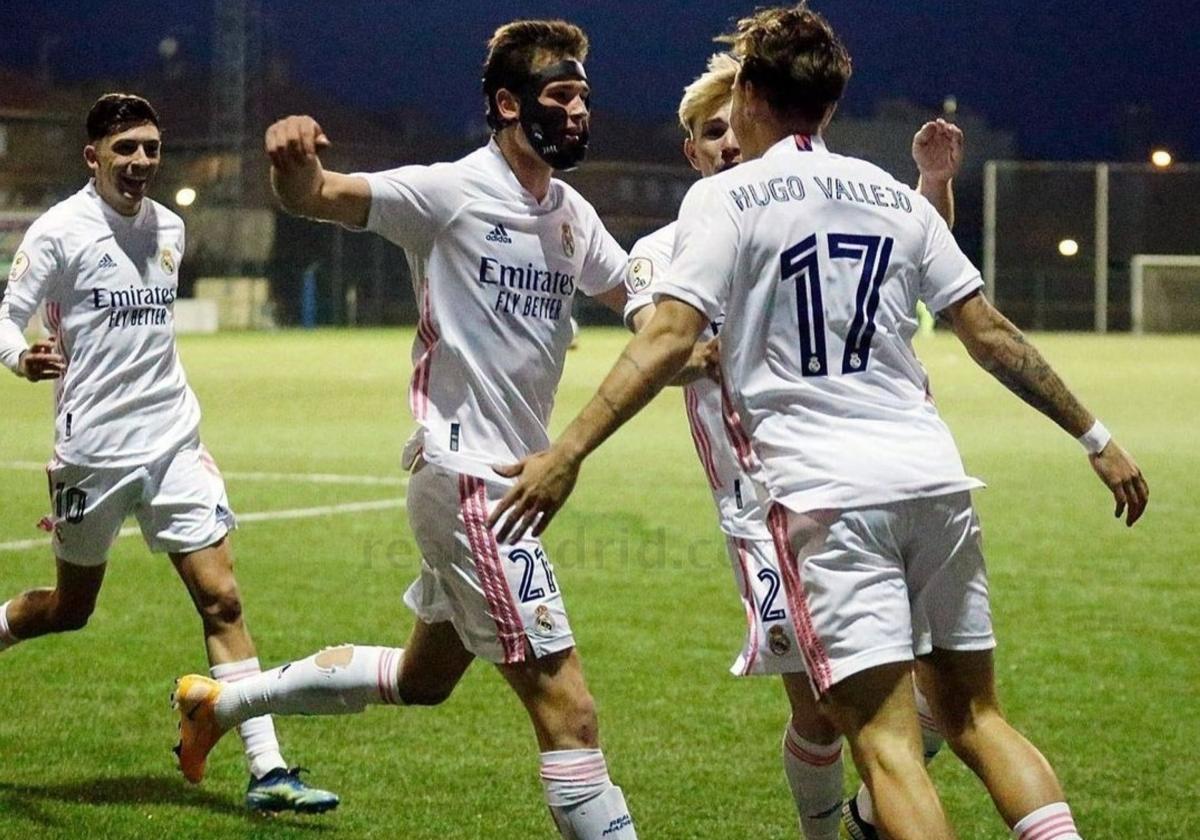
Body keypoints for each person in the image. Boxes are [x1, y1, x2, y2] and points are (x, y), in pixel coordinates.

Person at [488, 5, 1149, 840]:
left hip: (825, 500)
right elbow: (989, 333)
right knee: (977, 715)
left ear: (754, 93)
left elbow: (666, 339)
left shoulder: (727, 200)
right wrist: (1097, 436)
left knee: (886, 750)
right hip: (937, 481)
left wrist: (568, 449)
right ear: (832, 106)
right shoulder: (888, 196)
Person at [172, 20, 642, 838]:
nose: (577, 112)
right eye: (560, 95)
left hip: (498, 484)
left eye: (584, 97)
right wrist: (295, 166)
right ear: (507, 103)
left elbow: (642, 304)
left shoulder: (570, 216)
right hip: (476, 484)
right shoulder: (448, 192)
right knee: (570, 711)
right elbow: (321, 196)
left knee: (423, 678)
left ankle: (220, 702)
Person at [622, 52, 961, 840]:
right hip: (762, 508)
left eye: (734, 125)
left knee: (940, 703)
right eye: (712, 134)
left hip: (870, 482)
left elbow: (903, 264)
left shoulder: (803, 215)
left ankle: (870, 816)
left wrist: (933, 189)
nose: (728, 144)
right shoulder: (665, 247)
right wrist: (694, 347)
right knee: (822, 708)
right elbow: (658, 340)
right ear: (693, 151)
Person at [0, 93, 338, 814]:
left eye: (151, 149)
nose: (141, 162)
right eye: (126, 150)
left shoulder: (171, 229)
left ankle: (267, 769)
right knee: (69, 608)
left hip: (173, 439)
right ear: (93, 156)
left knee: (223, 597)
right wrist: (18, 359)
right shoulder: (60, 231)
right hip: (92, 451)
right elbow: (7, 313)